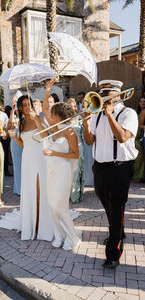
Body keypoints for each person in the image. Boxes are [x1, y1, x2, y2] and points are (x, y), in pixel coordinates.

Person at [83, 79, 138, 269]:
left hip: (120, 167)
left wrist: (109, 116)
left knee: (116, 208)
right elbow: (90, 141)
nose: (105, 97)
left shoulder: (128, 113)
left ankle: (113, 254)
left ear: (118, 95)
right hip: (100, 167)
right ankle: (118, 231)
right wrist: (86, 125)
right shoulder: (97, 114)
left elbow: (122, 137)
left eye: (108, 94)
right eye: (103, 94)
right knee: (106, 202)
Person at [0, 95, 53, 241]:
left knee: (40, 192)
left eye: (29, 104)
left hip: (40, 158)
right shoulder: (20, 122)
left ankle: (42, 223)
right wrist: (14, 137)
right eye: (25, 105)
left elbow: (45, 135)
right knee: (30, 192)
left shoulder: (38, 118)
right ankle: (31, 222)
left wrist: (36, 119)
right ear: (20, 107)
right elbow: (23, 144)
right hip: (27, 159)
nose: (28, 108)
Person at [35, 96, 82, 250]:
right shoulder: (53, 129)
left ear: (58, 116)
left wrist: (54, 153)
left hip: (63, 171)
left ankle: (72, 239)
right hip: (51, 170)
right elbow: (43, 118)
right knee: (51, 205)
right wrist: (36, 119)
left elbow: (75, 154)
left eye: (52, 113)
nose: (49, 115)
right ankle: (59, 236)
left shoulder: (69, 132)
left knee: (59, 206)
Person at [67, 98, 85, 202]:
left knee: (78, 170)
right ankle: (68, 194)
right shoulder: (63, 119)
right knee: (68, 171)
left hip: (78, 146)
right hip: (67, 147)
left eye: (74, 106)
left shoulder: (79, 118)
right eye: (70, 106)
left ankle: (77, 195)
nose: (72, 108)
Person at [8, 97, 23, 195]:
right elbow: (10, 123)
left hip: (23, 143)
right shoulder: (14, 118)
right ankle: (18, 189)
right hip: (14, 143)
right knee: (17, 166)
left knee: (24, 166)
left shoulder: (24, 118)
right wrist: (12, 110)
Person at [132, 97, 145, 182]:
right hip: (136, 136)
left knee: (139, 158)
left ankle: (138, 177)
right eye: (140, 101)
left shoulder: (144, 111)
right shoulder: (139, 111)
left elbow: (141, 125)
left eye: (144, 101)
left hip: (139, 136)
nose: (142, 103)